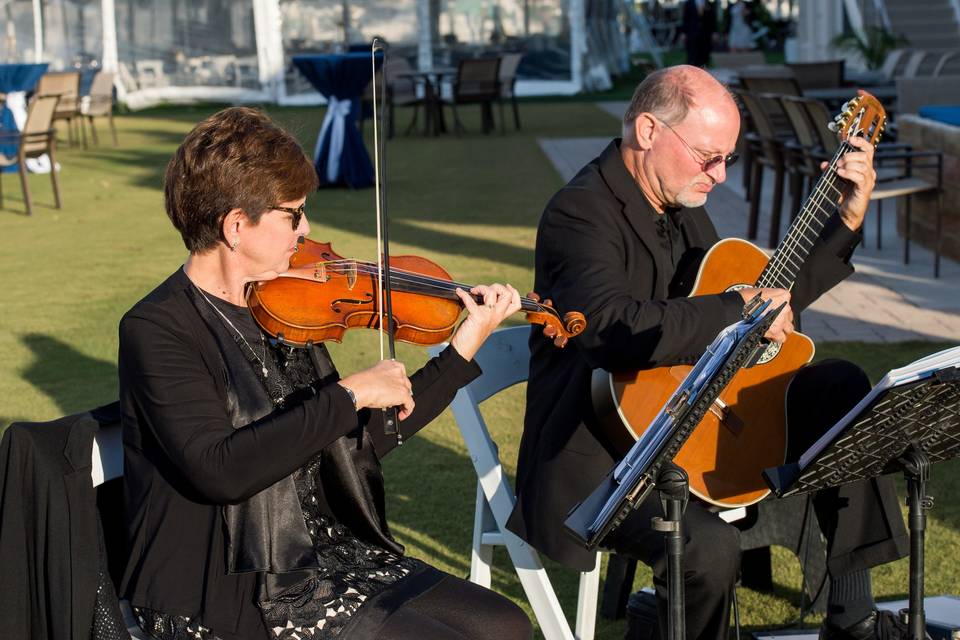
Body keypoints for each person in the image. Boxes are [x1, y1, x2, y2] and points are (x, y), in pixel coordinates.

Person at [507, 66, 910, 640]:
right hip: (601, 453)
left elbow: (763, 297)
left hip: (692, 418)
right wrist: (735, 308)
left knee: (840, 390)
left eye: (728, 160)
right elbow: (609, 328)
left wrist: (845, 219)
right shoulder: (579, 212)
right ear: (648, 130)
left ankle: (854, 620)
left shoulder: (681, 198)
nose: (720, 175)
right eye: (707, 157)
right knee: (707, 544)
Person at [118, 107, 533, 640]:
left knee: (505, 625)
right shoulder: (158, 329)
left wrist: (460, 350)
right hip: (234, 582)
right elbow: (220, 470)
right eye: (293, 214)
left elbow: (358, 443)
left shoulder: (282, 304)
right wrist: (349, 392)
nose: (306, 229)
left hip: (328, 556)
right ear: (236, 225)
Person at [681, 0, 718, 67]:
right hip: (692, 33)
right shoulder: (688, 4)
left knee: (704, 53)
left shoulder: (709, 3)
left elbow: (713, 19)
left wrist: (714, 32)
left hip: (705, 34)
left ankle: (703, 69)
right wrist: (684, 32)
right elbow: (685, 18)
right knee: (692, 54)